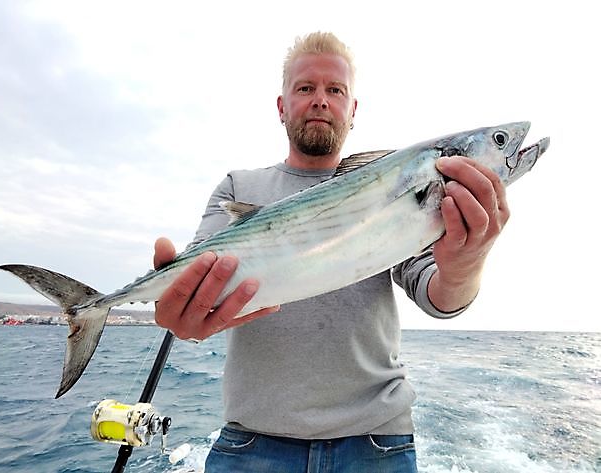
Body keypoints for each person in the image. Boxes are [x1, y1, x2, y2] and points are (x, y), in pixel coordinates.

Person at [153, 32, 509, 473]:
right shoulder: (238, 188)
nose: (320, 100)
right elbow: (195, 284)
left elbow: (440, 296)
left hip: (377, 443)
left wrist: (467, 262)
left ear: (352, 110)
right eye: (305, 88)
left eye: (335, 90)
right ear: (282, 106)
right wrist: (181, 311)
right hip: (252, 444)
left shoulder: (398, 186)